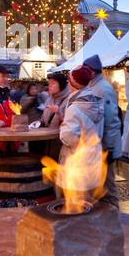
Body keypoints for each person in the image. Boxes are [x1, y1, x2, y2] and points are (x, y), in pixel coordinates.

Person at [57, 65, 104, 198]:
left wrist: (62, 130)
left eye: (69, 81)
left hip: (77, 162)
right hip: (93, 158)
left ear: (74, 84)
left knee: (75, 204)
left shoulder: (75, 107)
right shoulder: (95, 103)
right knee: (88, 202)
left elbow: (68, 138)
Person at [83, 54, 122, 209]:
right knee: (97, 187)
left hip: (104, 148)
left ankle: (118, 219)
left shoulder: (102, 89)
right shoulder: (94, 86)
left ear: (91, 72)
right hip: (98, 147)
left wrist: (110, 148)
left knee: (108, 187)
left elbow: (112, 121)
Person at [35, 73, 70, 159]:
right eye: (49, 83)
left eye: (53, 83)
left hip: (60, 143)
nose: (49, 86)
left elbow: (72, 124)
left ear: (61, 84)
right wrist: (39, 122)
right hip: (48, 141)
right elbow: (44, 118)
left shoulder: (69, 99)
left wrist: (60, 113)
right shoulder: (49, 99)